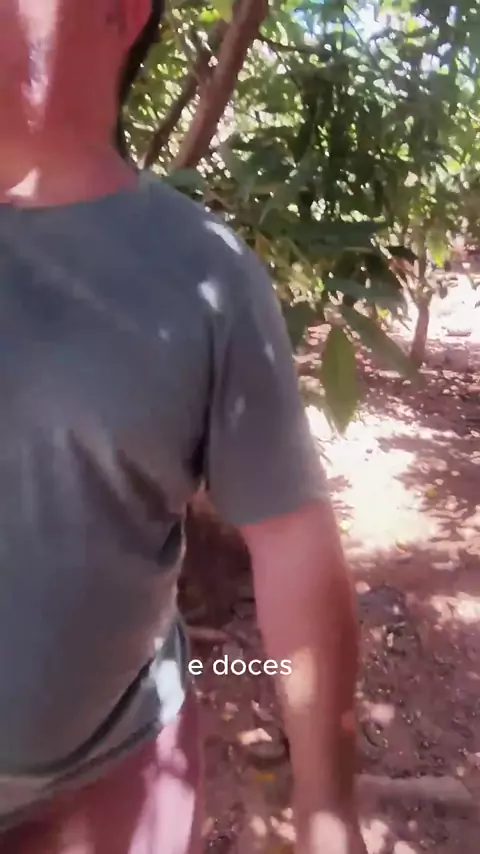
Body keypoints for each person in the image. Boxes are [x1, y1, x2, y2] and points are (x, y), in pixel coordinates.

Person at [0, 1, 367, 852]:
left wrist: (325, 807)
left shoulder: (206, 275)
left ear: (119, 12)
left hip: (105, 783)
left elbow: (293, 546)